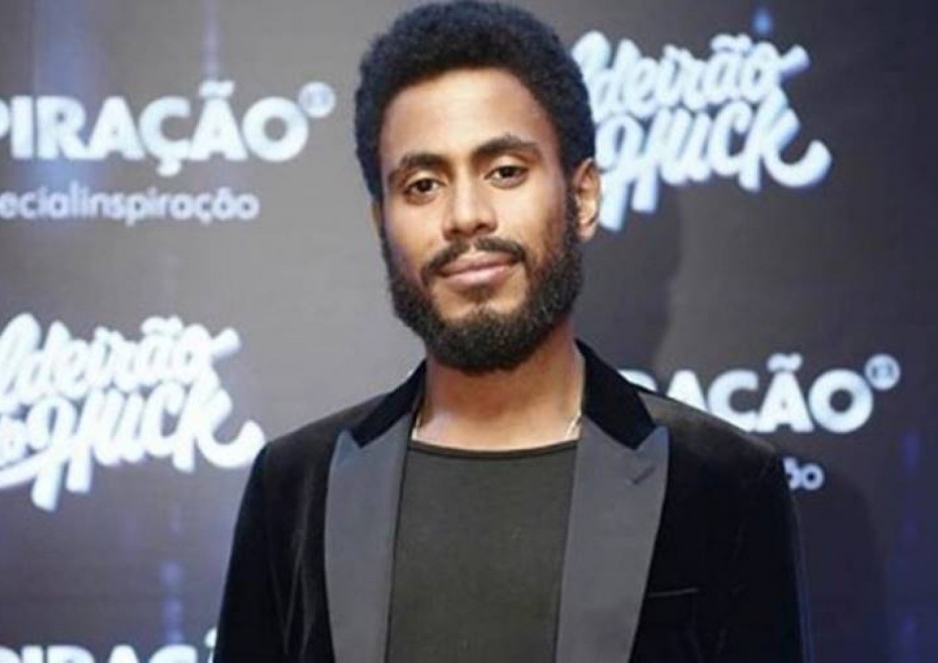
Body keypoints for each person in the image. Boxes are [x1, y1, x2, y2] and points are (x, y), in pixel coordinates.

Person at [214, 2, 810, 661]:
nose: (465, 215)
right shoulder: (295, 489)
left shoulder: (721, 482)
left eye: (504, 171)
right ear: (381, 223)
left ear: (582, 197)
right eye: (422, 184)